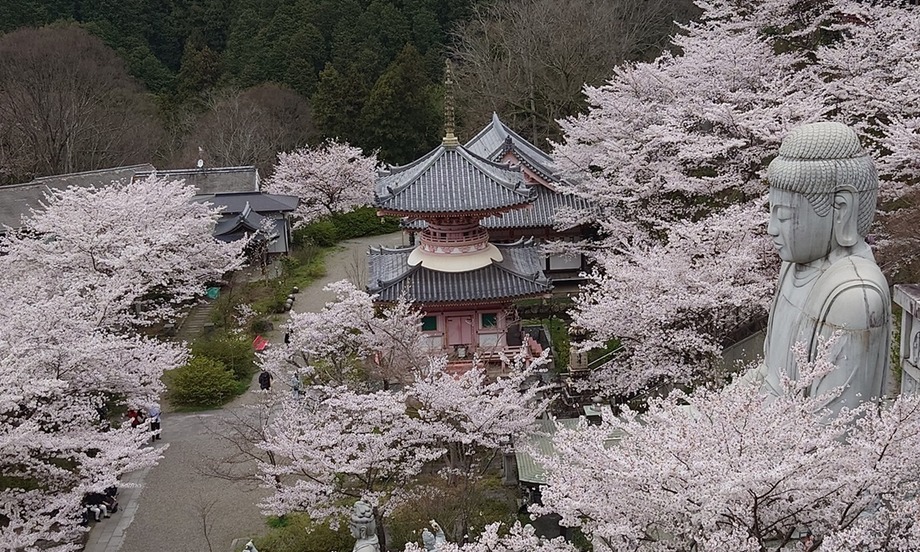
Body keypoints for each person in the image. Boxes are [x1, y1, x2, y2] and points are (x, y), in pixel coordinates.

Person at [754, 121, 890, 416]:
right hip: (758, 425)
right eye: (771, 214)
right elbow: (766, 374)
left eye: (785, 216)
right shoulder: (793, 267)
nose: (771, 229)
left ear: (841, 208)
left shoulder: (854, 296)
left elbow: (834, 432)